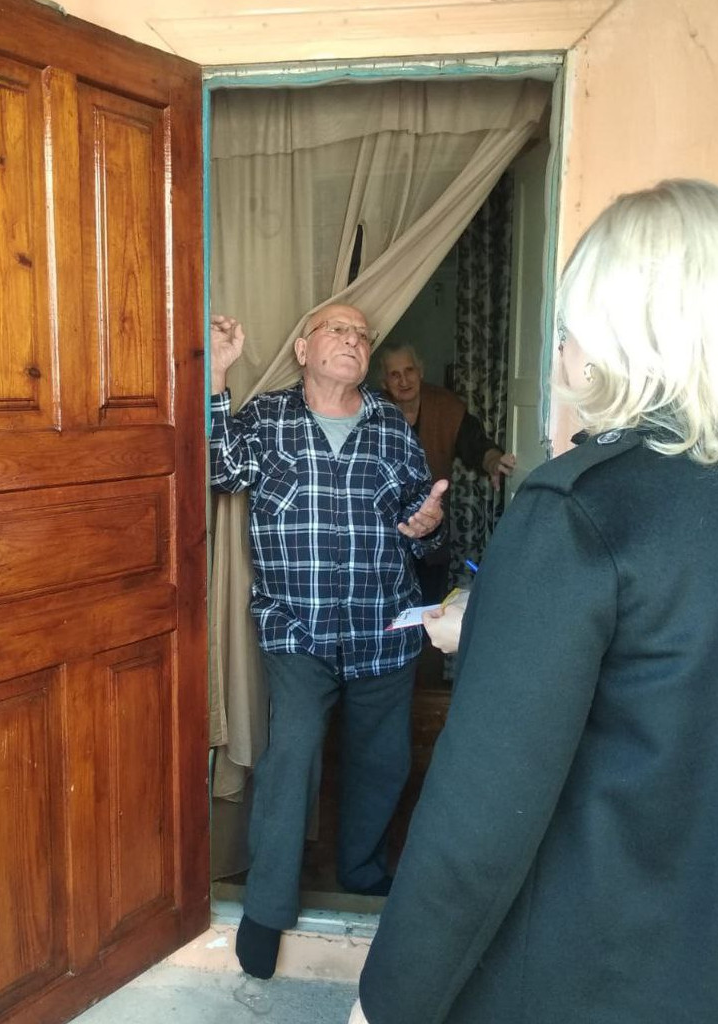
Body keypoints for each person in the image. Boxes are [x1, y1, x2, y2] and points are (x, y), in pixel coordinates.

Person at [347, 178, 718, 1024]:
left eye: (567, 329)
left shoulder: (582, 511)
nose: (559, 351)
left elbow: (482, 815)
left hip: (595, 967)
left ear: (612, 342)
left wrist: (388, 1000)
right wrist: (501, 628)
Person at [209, 304, 448, 980]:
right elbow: (217, 469)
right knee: (292, 754)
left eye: (361, 335)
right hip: (297, 626)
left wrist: (428, 526)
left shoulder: (391, 428)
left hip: (382, 627)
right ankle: (266, 907)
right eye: (338, 330)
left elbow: (422, 519)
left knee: (382, 760)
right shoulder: (266, 419)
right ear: (303, 348)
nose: (353, 340)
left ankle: (362, 873)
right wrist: (217, 376)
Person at [377, 341, 515, 602]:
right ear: (384, 382)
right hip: (386, 536)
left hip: (432, 530)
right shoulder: (373, 411)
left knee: (430, 605)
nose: (404, 380)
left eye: (409, 370)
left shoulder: (445, 405)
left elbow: (476, 445)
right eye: (394, 374)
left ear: (421, 371)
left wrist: (494, 462)